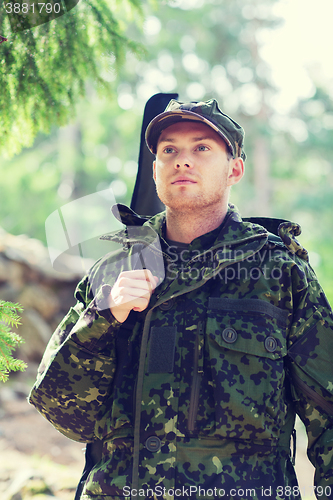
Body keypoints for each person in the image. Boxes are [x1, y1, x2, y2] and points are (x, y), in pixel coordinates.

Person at [29, 99, 333, 500]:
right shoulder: (111, 273)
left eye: (202, 148)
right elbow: (64, 414)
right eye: (168, 150)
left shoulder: (279, 274)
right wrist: (101, 318)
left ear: (234, 169)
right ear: (155, 170)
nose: (181, 161)